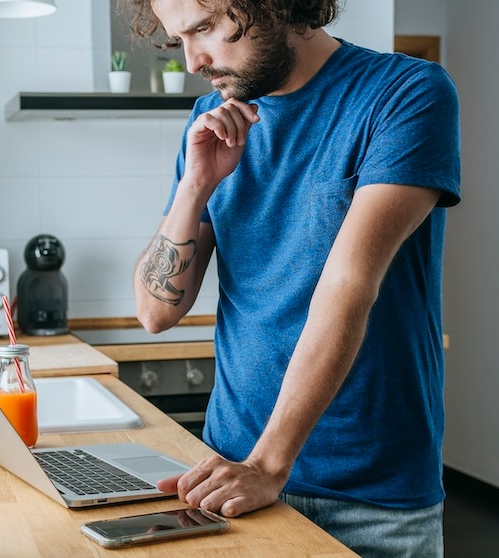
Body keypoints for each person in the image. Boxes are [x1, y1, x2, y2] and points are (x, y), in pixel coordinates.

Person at [125, 0, 461, 556]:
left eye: (205, 29)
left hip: (367, 498)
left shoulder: (405, 92)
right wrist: (195, 186)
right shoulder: (212, 118)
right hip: (229, 475)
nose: (193, 60)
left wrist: (268, 464)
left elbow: (348, 288)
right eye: (178, 40)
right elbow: (155, 312)